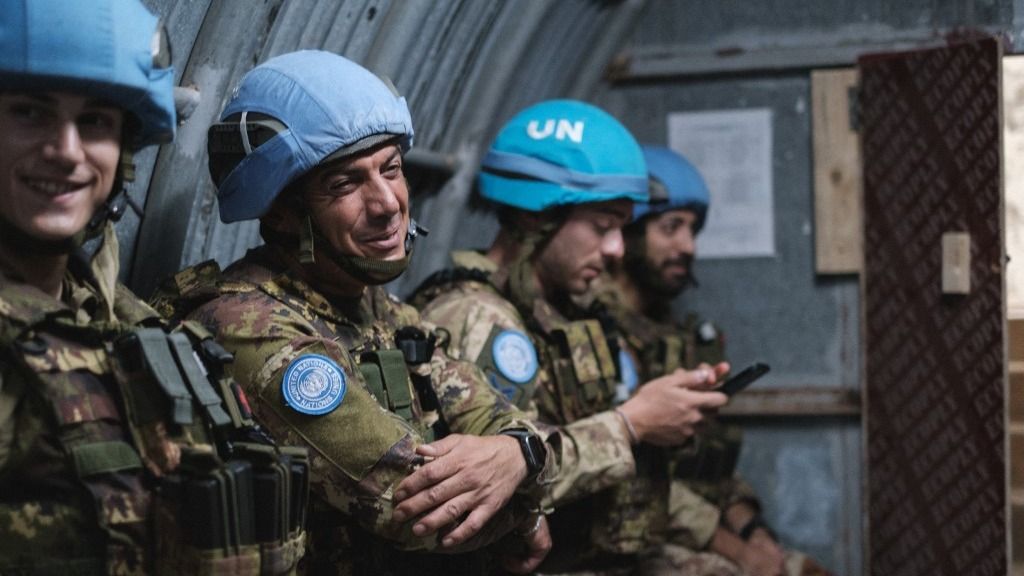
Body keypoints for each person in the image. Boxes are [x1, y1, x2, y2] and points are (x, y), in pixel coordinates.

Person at [153, 50, 557, 575]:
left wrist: (517, 454)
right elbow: (413, 508)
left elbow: (503, 420)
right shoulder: (245, 326)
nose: (387, 202)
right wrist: (528, 508)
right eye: (345, 184)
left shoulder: (385, 314)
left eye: (391, 169)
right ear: (280, 210)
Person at [0, 1, 307, 574]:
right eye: (29, 113)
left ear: (124, 157)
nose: (66, 152)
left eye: (94, 121)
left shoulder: (122, 324)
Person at [410, 99, 730, 575]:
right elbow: (500, 477)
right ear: (535, 219)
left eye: (622, 229)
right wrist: (633, 423)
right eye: (602, 227)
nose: (616, 249)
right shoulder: (478, 319)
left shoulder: (564, 313)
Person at [592, 145, 833, 576]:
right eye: (671, 228)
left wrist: (755, 532)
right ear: (628, 234)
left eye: (692, 231)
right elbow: (626, 475)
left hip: (699, 529)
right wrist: (739, 555)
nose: (687, 246)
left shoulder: (686, 341)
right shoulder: (596, 337)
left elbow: (714, 463)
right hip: (630, 535)